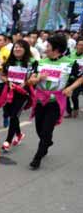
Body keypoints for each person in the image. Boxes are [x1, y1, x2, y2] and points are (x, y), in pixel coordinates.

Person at [27, 34, 79, 170]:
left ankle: (37, 157)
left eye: (48, 46)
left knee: (46, 129)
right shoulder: (40, 62)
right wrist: (38, 79)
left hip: (56, 102)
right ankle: (47, 142)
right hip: (40, 100)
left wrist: (70, 87)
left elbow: (80, 77)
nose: (45, 48)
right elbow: (30, 80)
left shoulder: (70, 63)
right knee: (39, 128)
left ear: (56, 49)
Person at [0, 40, 36, 151]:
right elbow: (3, 75)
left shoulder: (32, 62)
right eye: (15, 47)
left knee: (14, 115)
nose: (17, 49)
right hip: (9, 92)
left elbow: (34, 77)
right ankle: (19, 134)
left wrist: (25, 83)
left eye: (20, 47)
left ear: (25, 49)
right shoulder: (9, 62)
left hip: (24, 93)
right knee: (10, 114)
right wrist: (8, 82)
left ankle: (8, 141)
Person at [66, 37, 83, 118]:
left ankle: (76, 108)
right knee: (65, 94)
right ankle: (69, 112)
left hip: (80, 79)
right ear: (76, 46)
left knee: (74, 96)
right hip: (70, 78)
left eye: (82, 45)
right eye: (79, 44)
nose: (81, 46)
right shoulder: (71, 54)